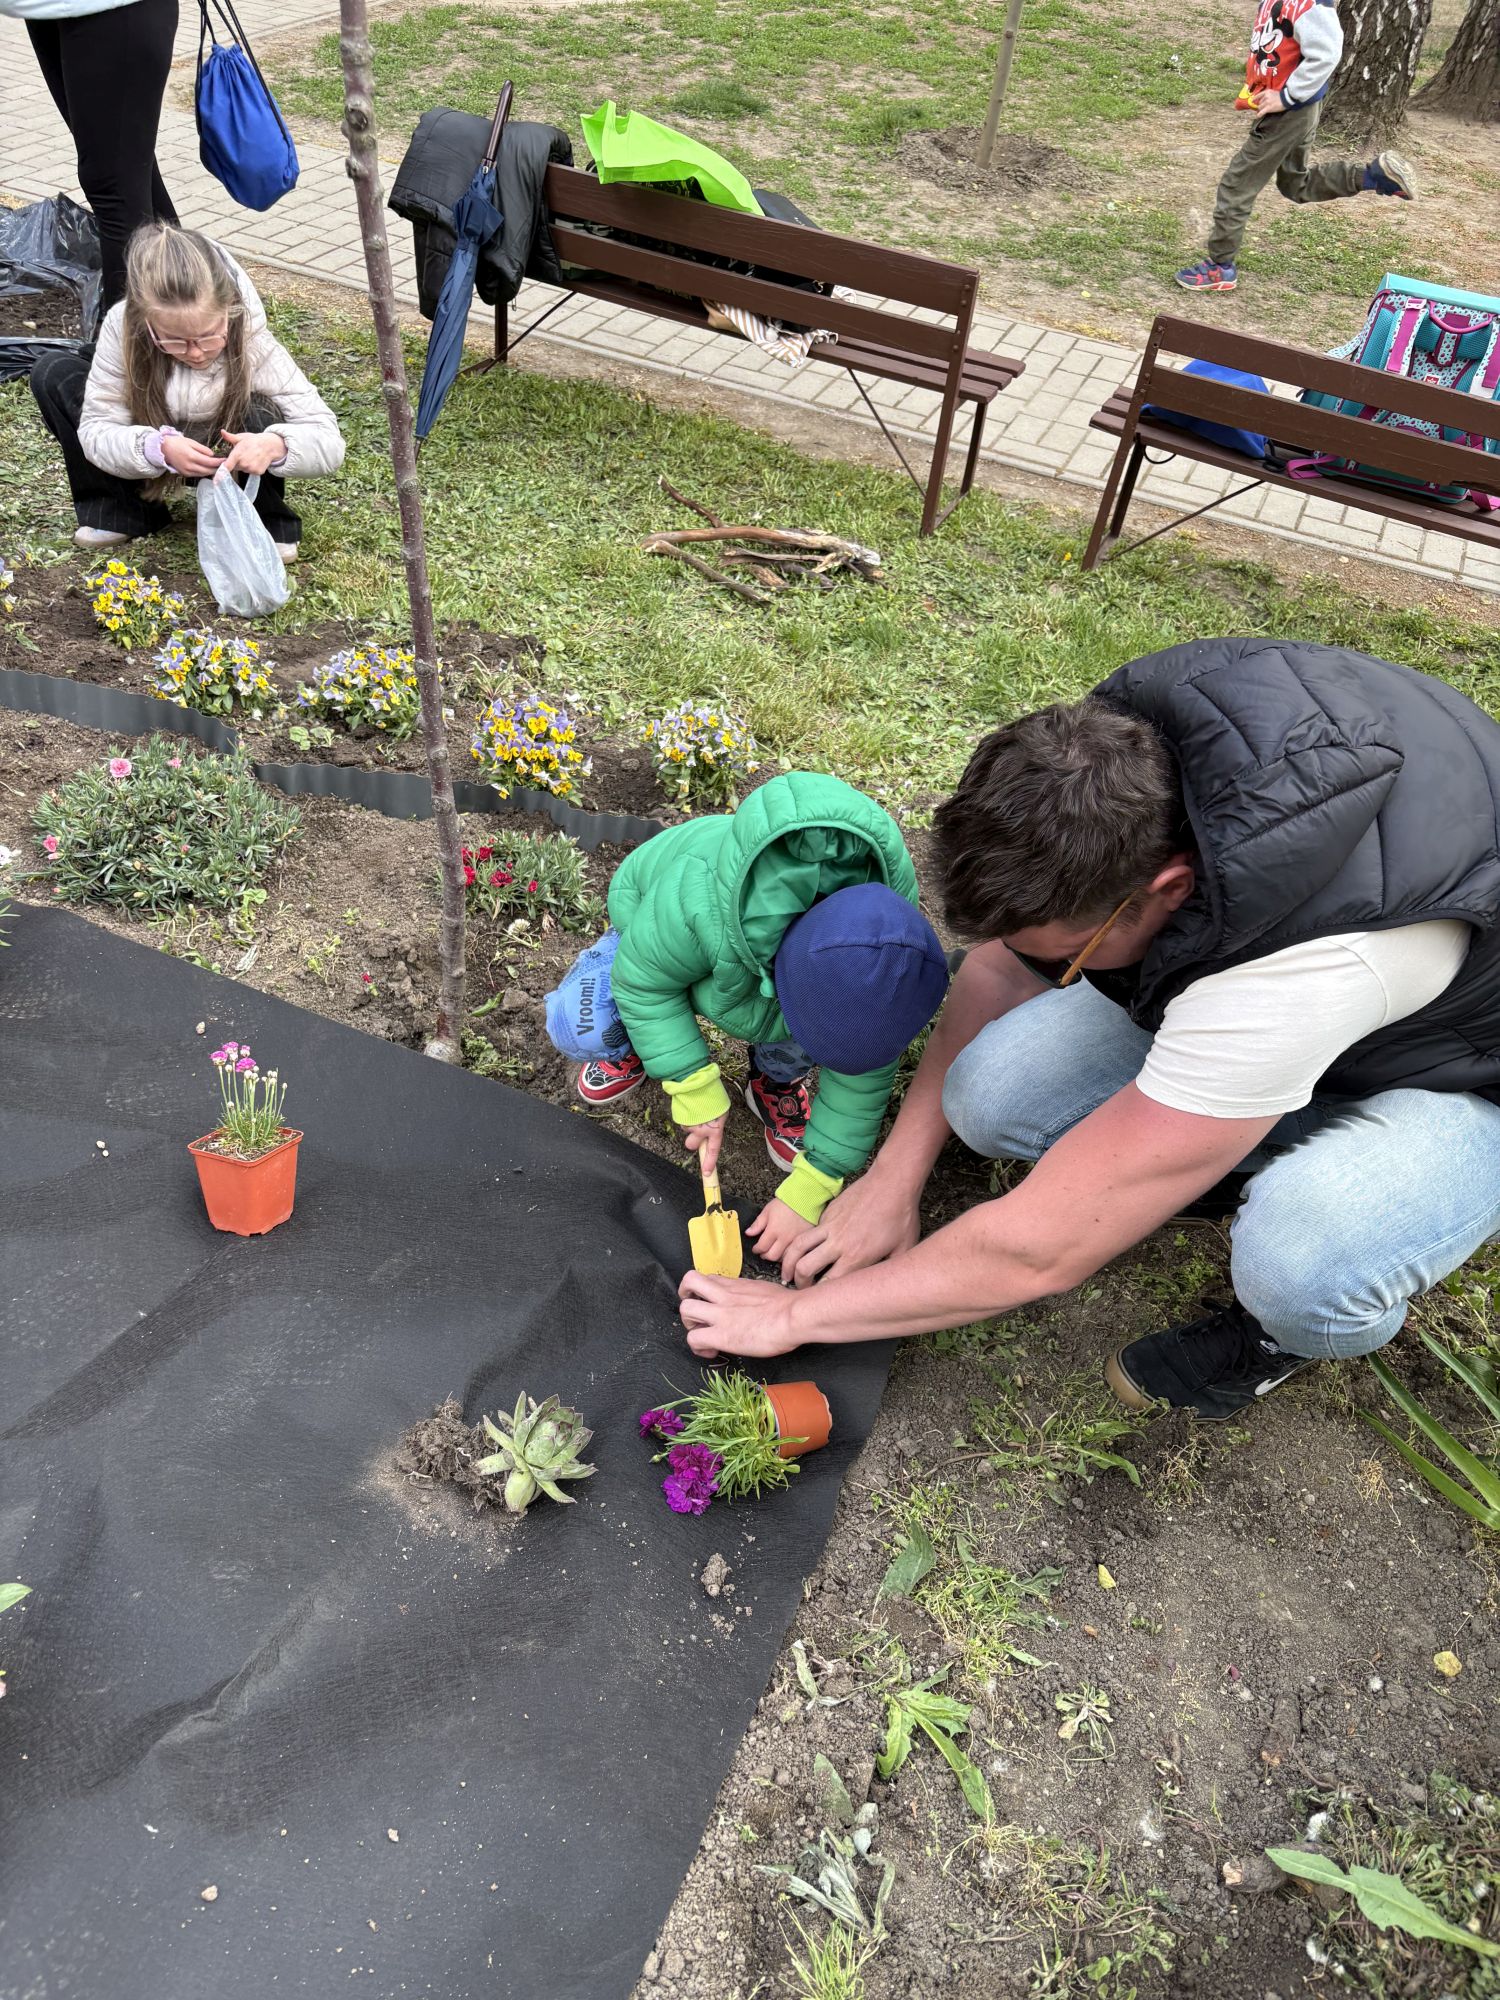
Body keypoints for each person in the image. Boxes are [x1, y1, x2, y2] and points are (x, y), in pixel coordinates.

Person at [678, 639, 1500, 1422]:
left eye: (1066, 956)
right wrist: (894, 1178)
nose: (1044, 965)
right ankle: (1221, 1141)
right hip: (1323, 960)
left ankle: (1284, 1328)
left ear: (1168, 887)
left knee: (1302, 1262)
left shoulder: (1294, 979)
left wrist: (791, 1317)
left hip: (1467, 1065)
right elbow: (999, 969)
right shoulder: (1125, 743)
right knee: (988, 1096)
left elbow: (1038, 1251)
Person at [544, 771, 950, 1264]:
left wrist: (812, 1186)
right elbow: (645, 984)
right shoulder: (697, 904)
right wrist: (692, 1084)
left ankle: (775, 1080)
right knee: (584, 1022)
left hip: (758, 976)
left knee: (820, 1036)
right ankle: (632, 1045)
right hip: (654, 932)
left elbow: (860, 1084)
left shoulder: (883, 968)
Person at [29, 223, 344, 559]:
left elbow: (328, 440)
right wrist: (155, 448)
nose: (195, 352)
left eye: (208, 336)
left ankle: (262, 522)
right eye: (174, 340)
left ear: (229, 309)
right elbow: (97, 428)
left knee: (261, 411)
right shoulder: (122, 329)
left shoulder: (253, 339)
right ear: (146, 321)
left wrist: (275, 446)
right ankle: (125, 511)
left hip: (225, 457)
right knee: (54, 373)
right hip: (156, 447)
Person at [1174, 0, 1415, 294]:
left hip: (1290, 111)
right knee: (1295, 184)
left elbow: (1326, 54)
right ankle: (1375, 177)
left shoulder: (1310, 5)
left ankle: (1219, 266)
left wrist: (1287, 96)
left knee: (1237, 184)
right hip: (1294, 108)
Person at [0, 0, 180, 311]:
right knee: (127, 173)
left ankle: (133, 338)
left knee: (114, 186)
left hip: (108, 11)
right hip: (50, 10)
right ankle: (189, 297)